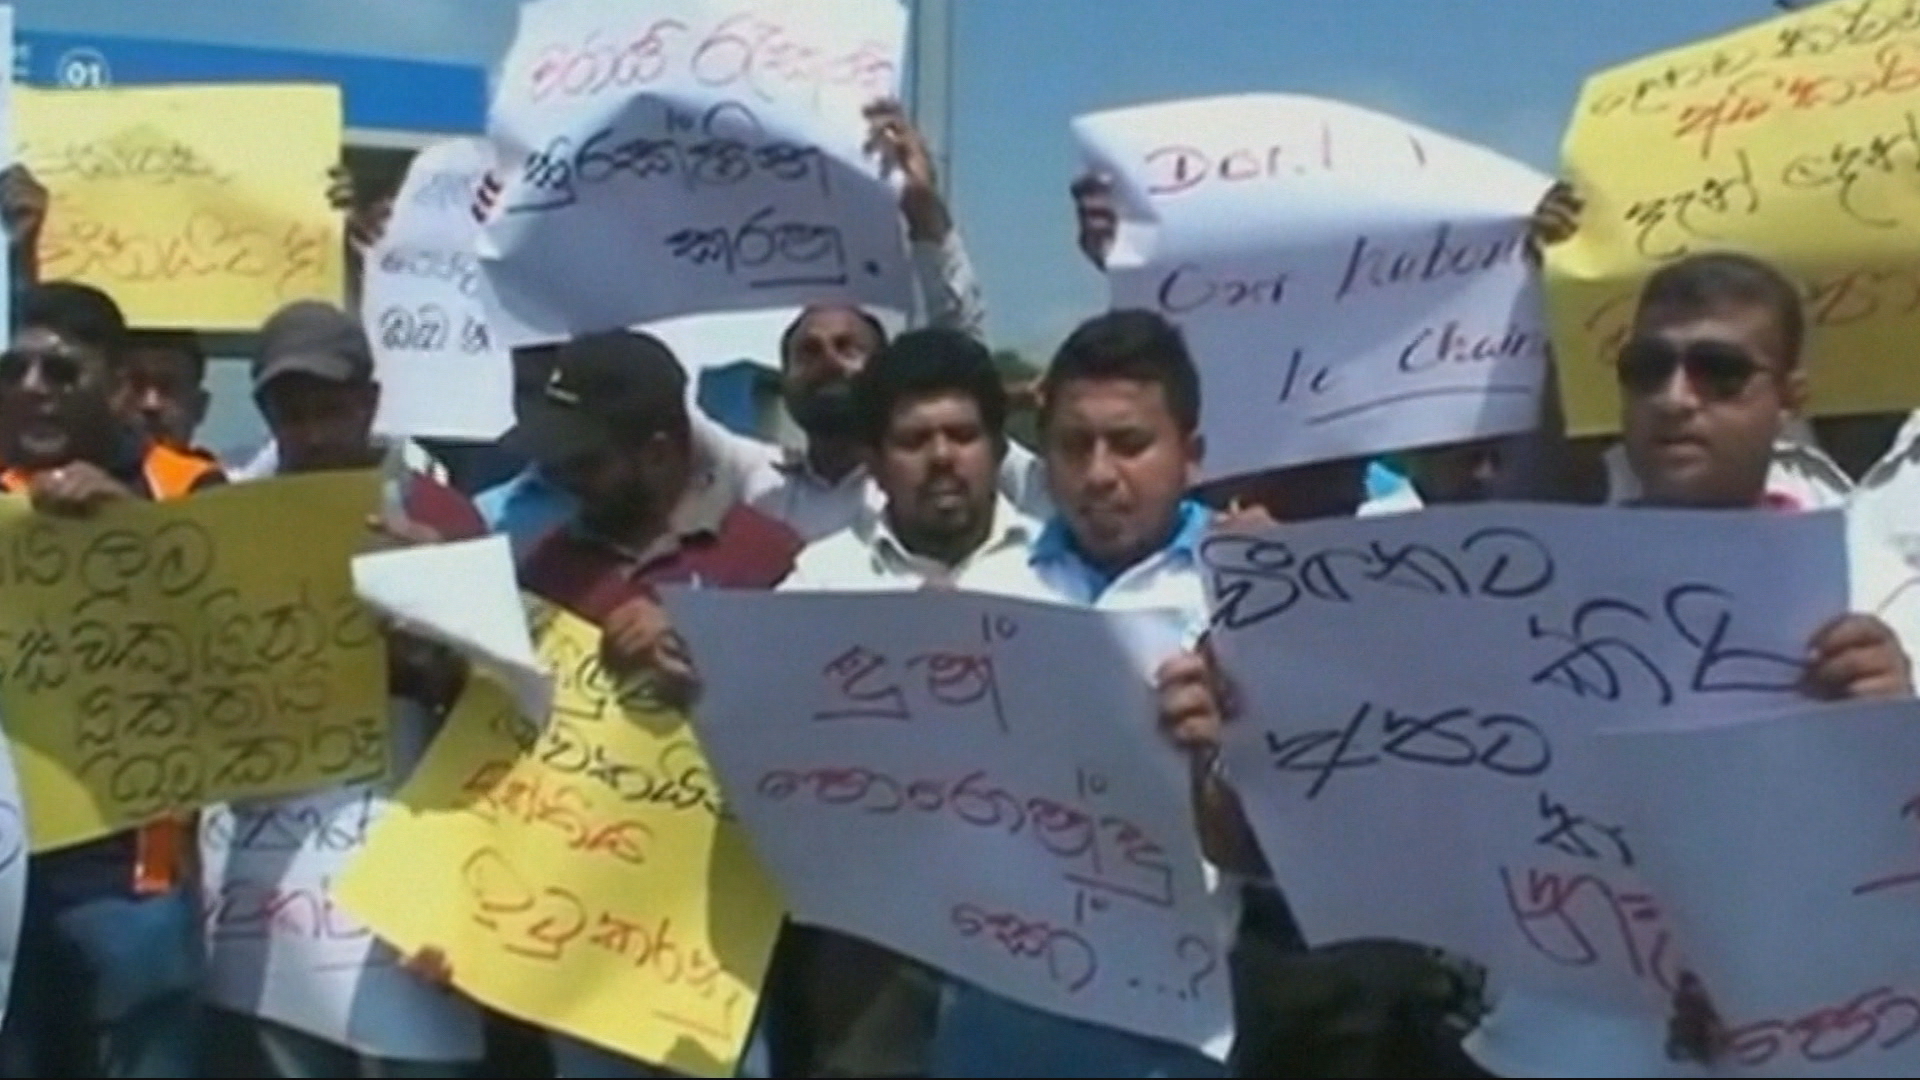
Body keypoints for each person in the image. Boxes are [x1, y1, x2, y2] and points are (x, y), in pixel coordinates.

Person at [1463, 251, 1914, 1077]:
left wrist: (1893, 734)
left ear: (1791, 398)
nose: (1676, 399)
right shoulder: (1526, 591)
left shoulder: (1881, 595)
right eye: (1648, 368)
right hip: (1564, 1052)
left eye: (1720, 372)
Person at [472, 100, 1047, 550]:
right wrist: (536, 233)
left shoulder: (936, 466)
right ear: (784, 377)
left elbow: (956, 357)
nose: (828, 361)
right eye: (808, 352)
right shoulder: (753, 480)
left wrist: (925, 216)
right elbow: (641, 389)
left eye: (848, 347)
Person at [470, 330, 801, 1079]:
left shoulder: (770, 560)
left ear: (657, 452)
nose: (563, 475)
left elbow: (811, 746)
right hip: (578, 953)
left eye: (585, 459)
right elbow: (500, 756)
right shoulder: (543, 570)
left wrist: (706, 651)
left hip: (717, 962)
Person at [926, 310, 1237, 1078]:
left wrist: (1218, 755)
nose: (1099, 474)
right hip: (995, 1011)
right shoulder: (988, 587)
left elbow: (1287, 851)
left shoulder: (1247, 594)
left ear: (1192, 455)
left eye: (1129, 444)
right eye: (1074, 445)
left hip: (1170, 1022)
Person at [766, 328, 1046, 1077]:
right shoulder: (817, 584)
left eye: (963, 435)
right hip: (871, 954)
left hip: (1036, 946)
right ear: (876, 459)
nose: (942, 457)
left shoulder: (1058, 574)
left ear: (998, 448)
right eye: (914, 440)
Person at [0, 282, 219, 1077]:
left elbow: (236, 642)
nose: (33, 389)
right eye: (14, 370)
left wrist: (131, 524)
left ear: (120, 386)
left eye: (61, 372)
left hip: (129, 870)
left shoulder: (188, 488)